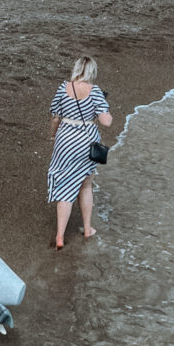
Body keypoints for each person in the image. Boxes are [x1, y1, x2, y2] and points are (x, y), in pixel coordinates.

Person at [48, 56, 112, 249]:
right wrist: (107, 112)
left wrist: (53, 136)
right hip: (86, 142)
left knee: (64, 187)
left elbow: (55, 117)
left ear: (76, 69)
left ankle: (60, 236)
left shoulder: (63, 88)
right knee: (85, 185)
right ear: (92, 72)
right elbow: (106, 121)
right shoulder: (95, 92)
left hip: (64, 140)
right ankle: (87, 228)